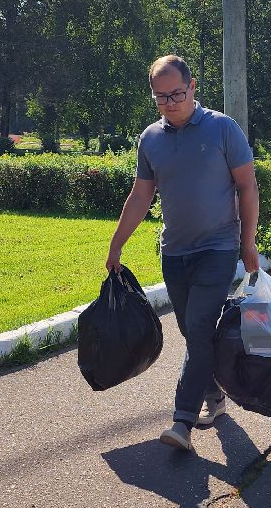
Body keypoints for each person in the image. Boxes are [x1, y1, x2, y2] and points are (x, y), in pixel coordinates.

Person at [107, 55, 261, 452]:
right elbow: (142, 194)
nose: (170, 102)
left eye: (176, 93)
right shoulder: (150, 139)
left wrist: (247, 243)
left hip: (218, 247)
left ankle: (182, 423)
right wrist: (117, 242)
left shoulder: (222, 129)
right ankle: (215, 398)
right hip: (174, 252)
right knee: (193, 333)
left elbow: (247, 186)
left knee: (198, 330)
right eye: (161, 97)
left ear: (193, 88)